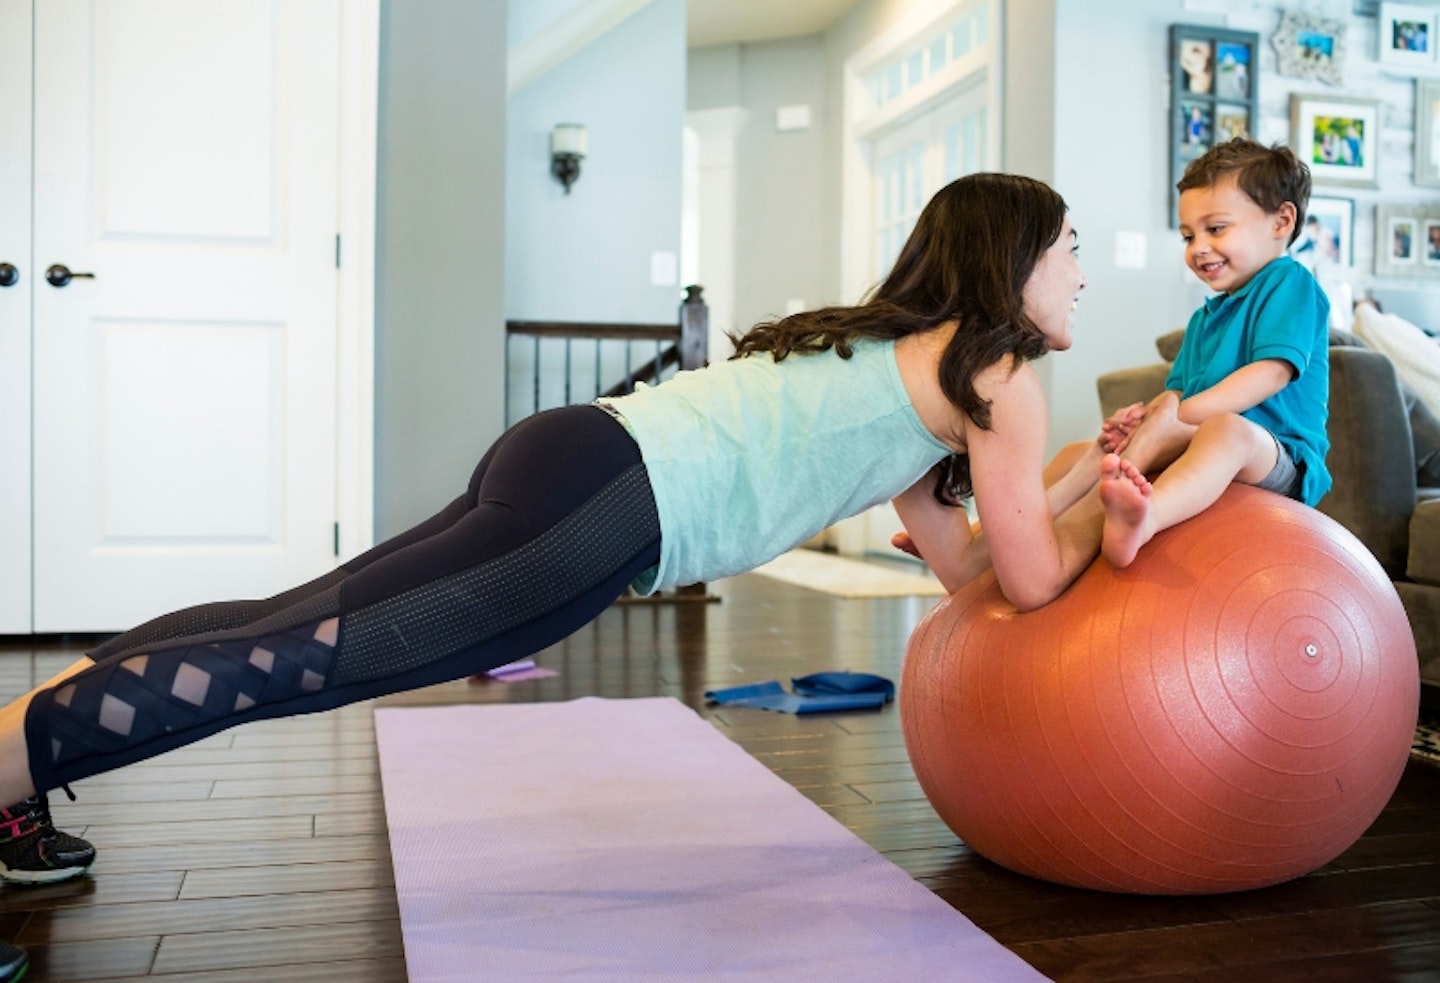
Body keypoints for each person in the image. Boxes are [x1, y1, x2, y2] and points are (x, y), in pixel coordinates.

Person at [0, 172, 1103, 818]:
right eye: (1069, 251)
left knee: (282, 621)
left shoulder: (915, 359)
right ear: (1011, 262)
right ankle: (8, 763)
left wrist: (1070, 485)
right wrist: (1107, 487)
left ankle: (13, 755)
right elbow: (1036, 576)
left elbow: (971, 568)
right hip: (609, 506)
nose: (1082, 275)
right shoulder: (1001, 379)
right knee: (308, 656)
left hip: (572, 452)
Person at [1098, 139, 1331, 568]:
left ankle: (1145, 519)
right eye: (1189, 236)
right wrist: (1144, 420)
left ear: (1281, 221)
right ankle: (1095, 494)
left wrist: (1178, 417)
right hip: (1203, 441)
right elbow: (1177, 395)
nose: (1198, 247)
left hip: (1279, 457)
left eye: (1216, 228)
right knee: (1123, 430)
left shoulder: (1290, 283)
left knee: (1226, 429)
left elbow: (1271, 373)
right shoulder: (1204, 320)